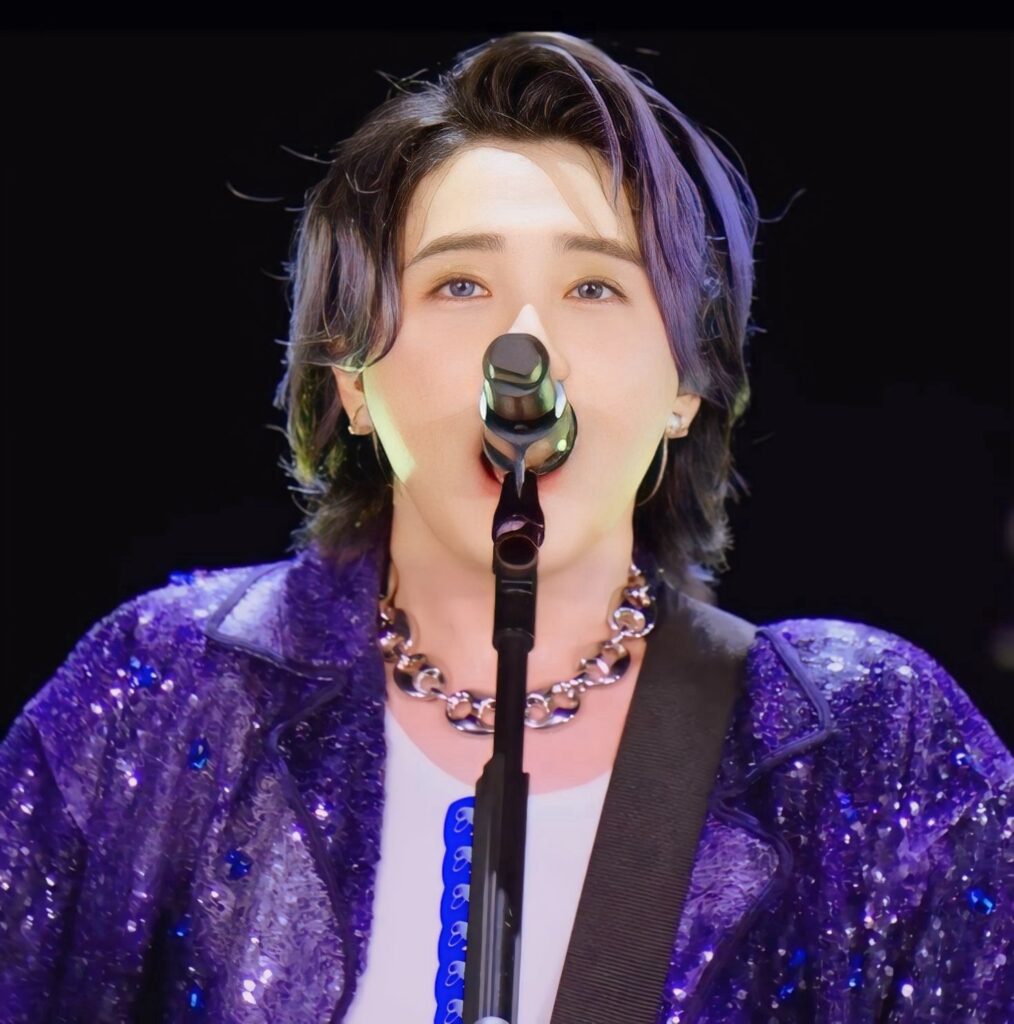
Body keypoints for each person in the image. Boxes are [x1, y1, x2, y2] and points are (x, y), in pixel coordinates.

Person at [1, 30, 1011, 1024]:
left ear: (686, 386)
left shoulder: (867, 743)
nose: (523, 349)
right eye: (460, 285)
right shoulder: (170, 691)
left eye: (594, 287)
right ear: (352, 379)